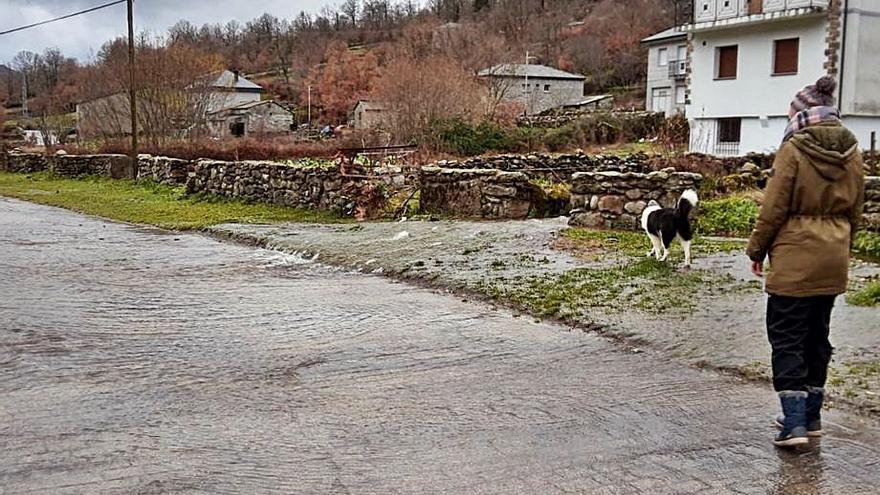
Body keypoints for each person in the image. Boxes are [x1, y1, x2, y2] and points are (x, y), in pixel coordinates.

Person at [746, 75, 865, 448]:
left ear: (800, 113)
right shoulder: (853, 149)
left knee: (786, 336)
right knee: (817, 336)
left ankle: (793, 424)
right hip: (833, 257)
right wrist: (844, 247)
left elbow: (774, 207)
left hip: (796, 258)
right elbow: (857, 209)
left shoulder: (794, 149)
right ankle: (812, 418)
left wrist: (757, 250)